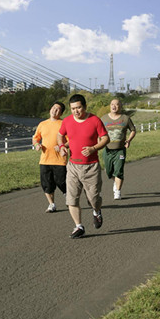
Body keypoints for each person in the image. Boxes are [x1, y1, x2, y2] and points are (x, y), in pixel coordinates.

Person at [57, 94, 109, 239]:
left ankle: (96, 211)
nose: (76, 111)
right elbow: (60, 135)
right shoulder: (67, 121)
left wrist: (94, 148)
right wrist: (62, 147)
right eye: (73, 108)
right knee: (72, 199)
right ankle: (79, 226)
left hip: (91, 167)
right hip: (73, 166)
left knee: (93, 198)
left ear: (85, 107)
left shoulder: (94, 120)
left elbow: (106, 138)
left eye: (79, 107)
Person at [32, 101, 68, 213]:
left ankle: (67, 195)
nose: (54, 110)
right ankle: (51, 204)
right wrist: (37, 144)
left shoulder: (64, 124)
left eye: (57, 109)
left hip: (59, 160)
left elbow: (70, 140)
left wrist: (62, 146)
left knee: (61, 182)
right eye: (53, 108)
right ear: (50, 109)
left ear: (61, 113)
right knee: (46, 184)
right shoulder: (42, 124)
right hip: (45, 160)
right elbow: (36, 138)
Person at [100, 99, 136, 200]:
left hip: (120, 150)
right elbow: (98, 131)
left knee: (119, 171)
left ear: (120, 106)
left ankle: (117, 191)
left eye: (116, 104)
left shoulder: (125, 118)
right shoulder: (103, 118)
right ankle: (115, 181)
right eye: (112, 104)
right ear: (109, 106)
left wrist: (128, 140)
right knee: (108, 172)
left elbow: (133, 130)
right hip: (107, 150)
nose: (114, 106)